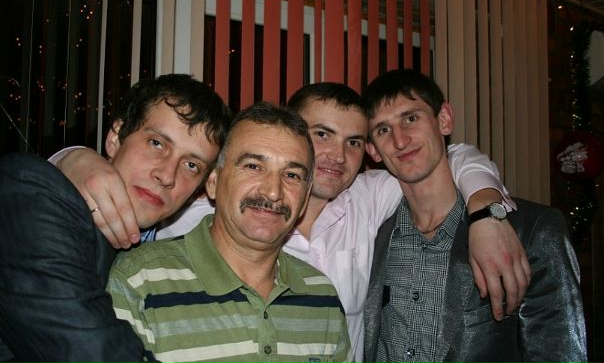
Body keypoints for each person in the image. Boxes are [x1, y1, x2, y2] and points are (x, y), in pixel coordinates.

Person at [54, 82, 529, 363]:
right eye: (321, 134)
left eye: (354, 142)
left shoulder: (367, 198)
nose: (337, 155)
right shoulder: (193, 214)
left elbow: (449, 157)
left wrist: (486, 210)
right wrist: (71, 158)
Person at [0, 74, 232, 363]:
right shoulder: (35, 193)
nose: (167, 175)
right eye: (156, 143)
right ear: (114, 139)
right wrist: (69, 157)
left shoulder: (178, 248)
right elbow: (87, 351)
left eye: (191, 165)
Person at [362, 69, 587, 363]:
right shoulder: (372, 237)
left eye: (411, 118)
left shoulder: (532, 230)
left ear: (444, 119)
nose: (400, 140)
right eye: (383, 130)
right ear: (373, 150)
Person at [106, 102, 353, 362]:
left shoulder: (321, 296)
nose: (273, 192)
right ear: (213, 182)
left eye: (291, 175)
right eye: (253, 167)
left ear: (304, 200)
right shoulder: (140, 280)